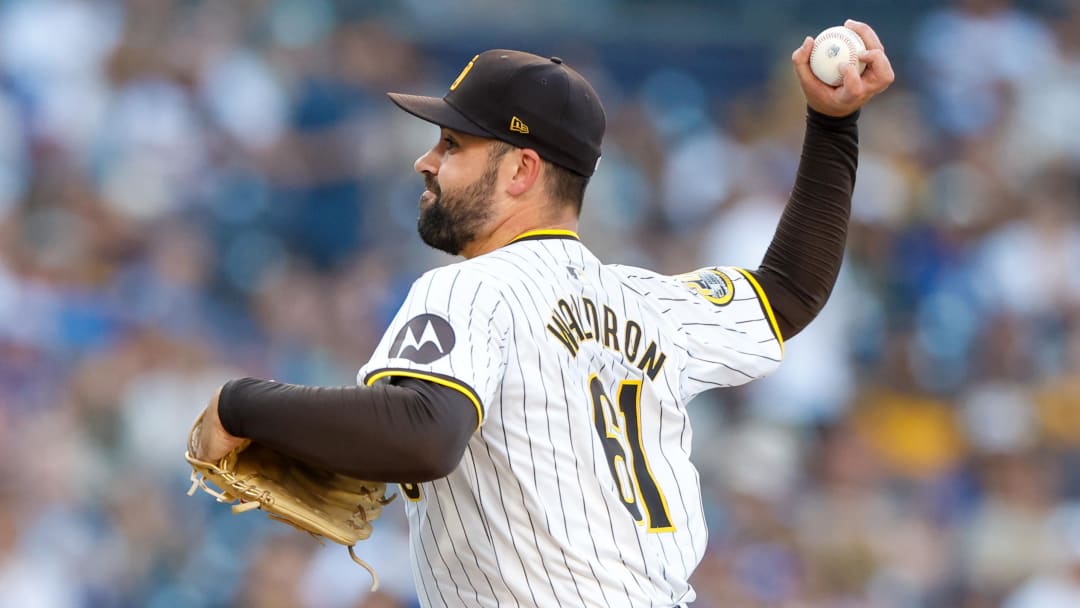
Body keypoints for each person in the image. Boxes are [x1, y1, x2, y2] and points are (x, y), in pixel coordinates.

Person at [193, 19, 894, 607]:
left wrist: (242, 403)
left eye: (453, 145)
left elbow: (423, 437)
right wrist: (834, 129)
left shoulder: (472, 288)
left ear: (521, 171)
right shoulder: (648, 303)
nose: (425, 161)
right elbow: (788, 294)